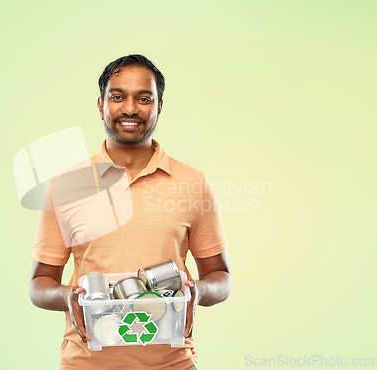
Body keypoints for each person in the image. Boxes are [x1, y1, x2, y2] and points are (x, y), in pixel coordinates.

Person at [29, 54, 231, 370]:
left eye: (144, 98)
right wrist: (68, 296)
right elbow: (40, 283)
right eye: (117, 96)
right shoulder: (65, 186)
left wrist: (198, 291)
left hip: (173, 363)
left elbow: (221, 278)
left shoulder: (193, 182)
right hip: (85, 363)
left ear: (159, 107)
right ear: (101, 105)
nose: (130, 108)